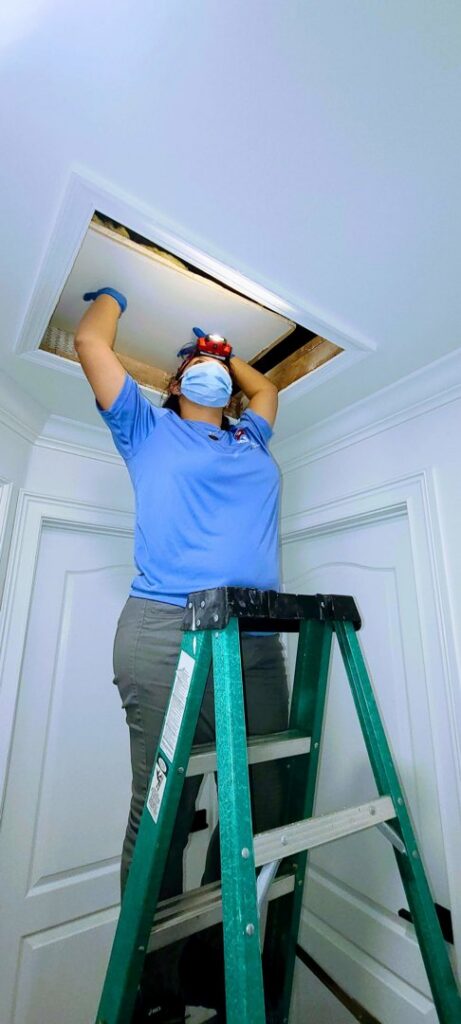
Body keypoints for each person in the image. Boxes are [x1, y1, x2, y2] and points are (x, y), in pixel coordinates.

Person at [74, 287, 289, 1023]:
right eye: (193, 364)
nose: (207, 370)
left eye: (214, 368)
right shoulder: (144, 428)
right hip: (167, 630)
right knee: (165, 812)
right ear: (171, 384)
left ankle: (219, 967)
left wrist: (229, 353)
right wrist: (111, 294)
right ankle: (155, 991)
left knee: (264, 807)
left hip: (256, 638)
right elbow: (91, 344)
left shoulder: (249, 439)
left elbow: (270, 387)